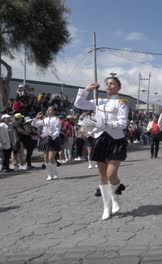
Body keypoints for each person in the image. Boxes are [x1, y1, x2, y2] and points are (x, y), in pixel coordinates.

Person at [74, 77, 128, 220]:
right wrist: (87, 90)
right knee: (102, 174)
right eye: (107, 84)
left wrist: (107, 124)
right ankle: (106, 206)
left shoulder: (121, 103)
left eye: (112, 83)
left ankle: (116, 199)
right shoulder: (98, 102)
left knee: (111, 174)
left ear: (118, 87)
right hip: (100, 139)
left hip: (116, 139)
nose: (109, 85)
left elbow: (123, 123)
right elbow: (78, 103)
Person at [32, 107, 62, 181]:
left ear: (54, 111)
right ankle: (50, 174)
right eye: (48, 109)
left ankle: (54, 172)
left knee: (51, 158)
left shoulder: (56, 119)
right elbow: (34, 124)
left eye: (50, 110)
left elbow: (57, 130)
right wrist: (36, 117)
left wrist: (53, 136)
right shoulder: (44, 119)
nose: (48, 111)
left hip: (52, 139)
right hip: (45, 139)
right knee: (46, 159)